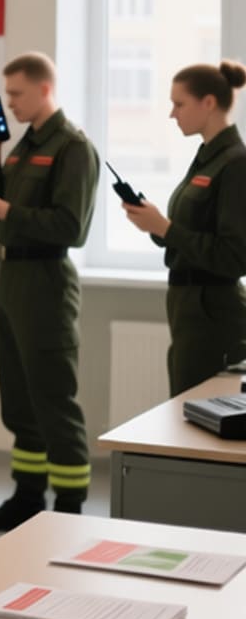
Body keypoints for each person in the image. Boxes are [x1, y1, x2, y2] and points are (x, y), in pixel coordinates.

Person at [0, 52, 97, 531]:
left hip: (45, 279)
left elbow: (71, 227)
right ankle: (28, 496)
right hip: (9, 277)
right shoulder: (22, 145)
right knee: (18, 398)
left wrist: (5, 211)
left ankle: (70, 507)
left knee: (53, 397)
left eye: (16, 93)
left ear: (44, 89)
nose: (10, 102)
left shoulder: (72, 147)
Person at [121, 59, 246, 396]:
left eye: (179, 104)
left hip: (214, 310)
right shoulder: (207, 157)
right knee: (183, 405)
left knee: (199, 412)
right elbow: (188, 233)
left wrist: (166, 228)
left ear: (208, 103)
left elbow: (234, 256)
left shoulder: (236, 163)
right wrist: (155, 225)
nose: (172, 114)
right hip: (188, 307)